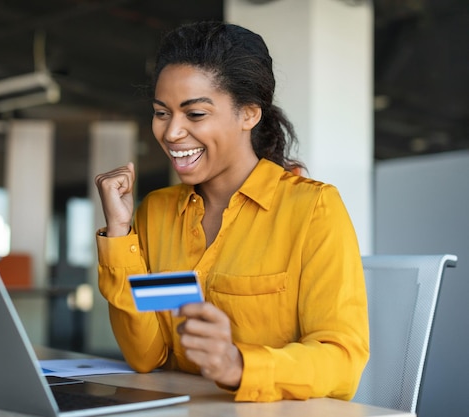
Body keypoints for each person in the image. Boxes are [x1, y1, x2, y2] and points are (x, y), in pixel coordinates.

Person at [94, 21, 369, 402]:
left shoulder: (313, 210)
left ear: (249, 115)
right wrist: (120, 232)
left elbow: (343, 360)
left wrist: (240, 365)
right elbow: (146, 355)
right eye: (162, 112)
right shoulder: (155, 212)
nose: (172, 132)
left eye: (195, 114)